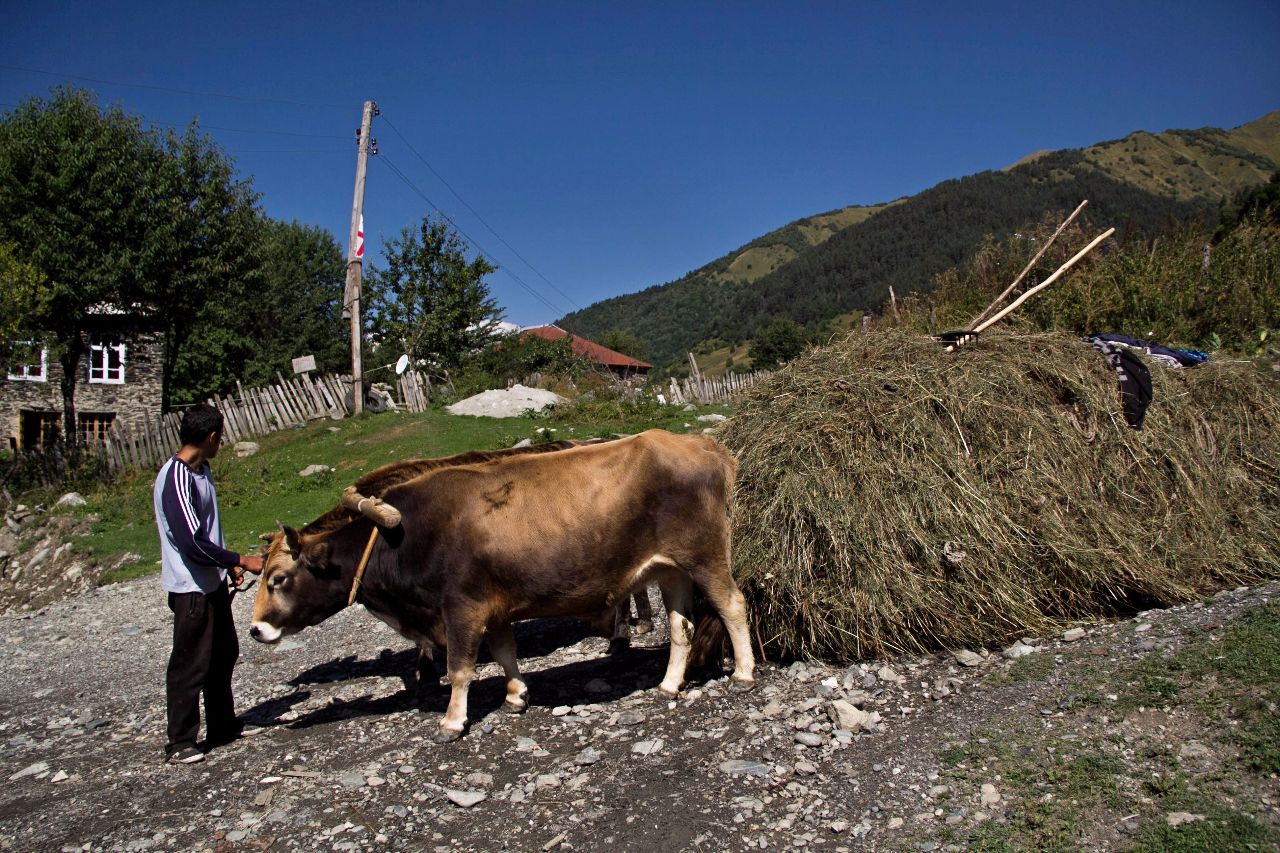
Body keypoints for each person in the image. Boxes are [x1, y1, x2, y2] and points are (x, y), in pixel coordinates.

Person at [153, 403, 264, 764]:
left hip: (211, 583)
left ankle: (222, 725)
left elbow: (208, 532)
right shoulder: (177, 478)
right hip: (191, 590)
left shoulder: (202, 471)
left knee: (222, 655)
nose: (222, 443)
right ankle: (181, 741)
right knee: (190, 664)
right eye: (221, 437)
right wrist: (239, 559)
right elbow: (191, 541)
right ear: (211, 437)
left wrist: (226, 569)